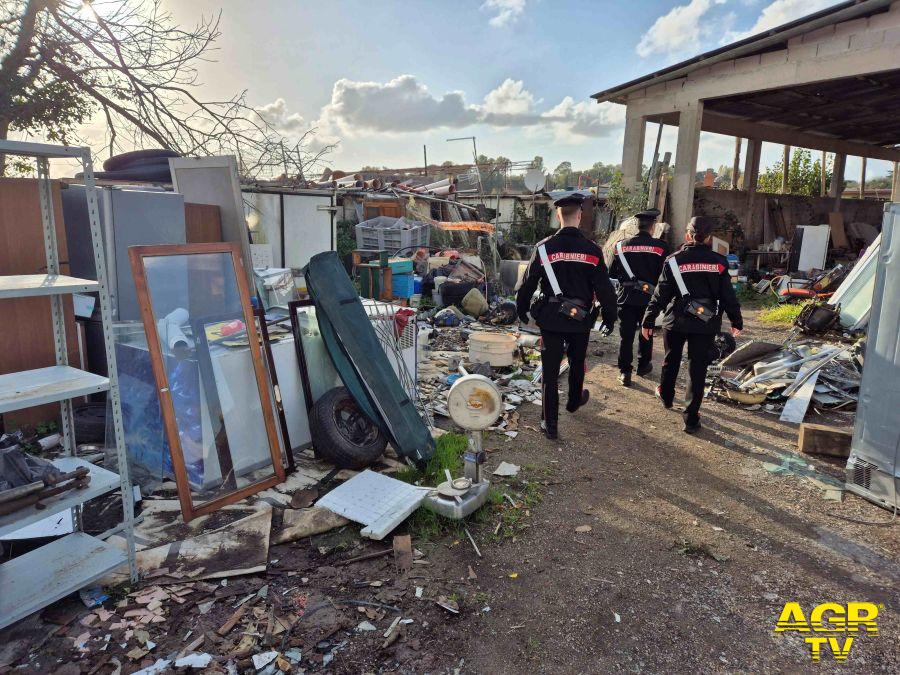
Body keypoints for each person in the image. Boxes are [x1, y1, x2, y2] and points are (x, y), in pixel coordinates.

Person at [516, 192, 617, 440]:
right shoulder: (593, 251)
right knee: (577, 360)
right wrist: (610, 317)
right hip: (581, 318)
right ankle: (573, 401)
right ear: (580, 216)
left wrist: (522, 310)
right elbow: (605, 288)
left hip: (550, 317)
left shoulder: (543, 248)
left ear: (557, 215)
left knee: (550, 371)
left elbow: (527, 284)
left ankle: (550, 425)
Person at [641, 216, 742, 434]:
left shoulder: (673, 260)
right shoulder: (719, 262)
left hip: (675, 320)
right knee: (697, 368)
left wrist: (648, 320)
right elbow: (728, 296)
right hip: (705, 324)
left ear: (688, 235)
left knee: (671, 360)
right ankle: (690, 417)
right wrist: (736, 320)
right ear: (709, 238)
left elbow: (660, 294)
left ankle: (666, 397)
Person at [607, 208, 669, 387]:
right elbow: (665, 276)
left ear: (637, 226)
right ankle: (643, 366)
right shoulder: (661, 247)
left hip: (626, 297)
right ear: (653, 226)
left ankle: (625, 372)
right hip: (650, 299)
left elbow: (611, 272)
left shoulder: (619, 246)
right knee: (646, 332)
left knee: (626, 337)